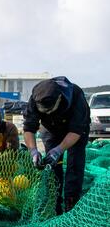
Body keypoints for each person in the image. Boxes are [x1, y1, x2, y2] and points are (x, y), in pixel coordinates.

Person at [23, 76, 91, 215]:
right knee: (52, 166)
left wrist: (59, 149)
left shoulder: (77, 96)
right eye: (44, 111)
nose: (47, 113)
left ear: (59, 99)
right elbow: (29, 128)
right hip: (50, 129)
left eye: (50, 110)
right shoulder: (36, 97)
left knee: (74, 164)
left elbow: (76, 131)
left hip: (76, 131)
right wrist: (33, 151)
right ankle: (54, 204)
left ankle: (71, 204)